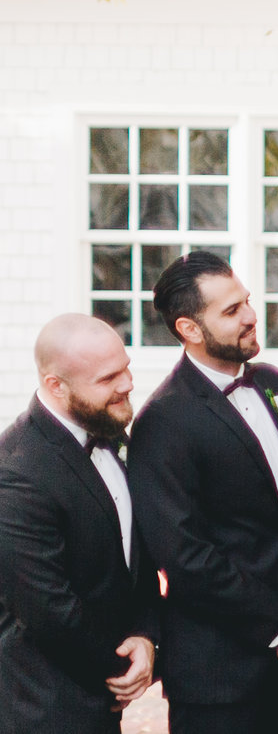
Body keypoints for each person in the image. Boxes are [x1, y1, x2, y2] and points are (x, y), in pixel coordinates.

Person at [128, 253, 278, 734]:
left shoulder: (273, 384)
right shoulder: (164, 421)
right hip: (217, 676)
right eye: (231, 310)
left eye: (247, 302)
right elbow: (183, 555)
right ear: (189, 328)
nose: (250, 316)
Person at [0, 314, 157, 734]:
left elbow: (133, 559)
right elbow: (47, 608)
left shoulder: (113, 434)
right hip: (44, 707)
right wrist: (124, 666)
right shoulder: (17, 471)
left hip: (100, 706)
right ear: (56, 386)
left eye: (126, 368)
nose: (126, 384)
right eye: (108, 378)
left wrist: (145, 636)